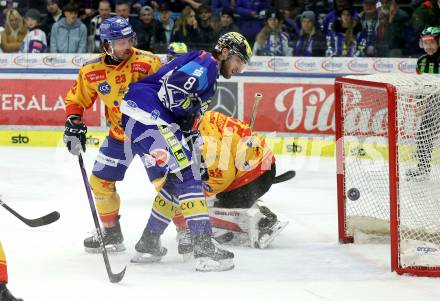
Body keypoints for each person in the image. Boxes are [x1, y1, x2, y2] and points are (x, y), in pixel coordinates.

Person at [118, 32, 252, 271]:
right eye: (238, 61)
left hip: (141, 119)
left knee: (174, 180)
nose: (240, 69)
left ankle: (148, 242)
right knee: (189, 175)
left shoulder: (203, 64)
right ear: (224, 52)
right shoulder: (207, 64)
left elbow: (181, 109)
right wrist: (189, 115)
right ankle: (203, 246)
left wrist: (191, 138)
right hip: (149, 116)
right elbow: (173, 94)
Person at [63, 16, 162, 253]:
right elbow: (77, 99)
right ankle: (111, 233)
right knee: (100, 182)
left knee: (167, 183)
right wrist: (73, 121)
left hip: (152, 136)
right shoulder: (91, 70)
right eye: (118, 43)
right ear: (106, 44)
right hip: (119, 135)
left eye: (128, 40)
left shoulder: (149, 62)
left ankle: (185, 232)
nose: (125, 46)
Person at [173, 111, 290, 252]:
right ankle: (249, 204)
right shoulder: (205, 118)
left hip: (255, 174)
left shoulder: (204, 140)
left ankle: (264, 222)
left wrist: (199, 193)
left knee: (221, 207)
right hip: (259, 166)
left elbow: (223, 177)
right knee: (216, 198)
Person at [406, 27, 440, 181]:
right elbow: (421, 85)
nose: (428, 47)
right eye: (425, 43)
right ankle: (423, 168)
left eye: (432, 42)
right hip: (432, 104)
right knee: (422, 134)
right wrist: (420, 102)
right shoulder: (422, 61)